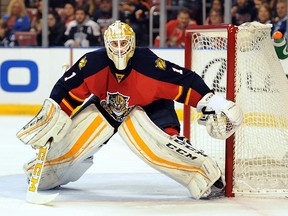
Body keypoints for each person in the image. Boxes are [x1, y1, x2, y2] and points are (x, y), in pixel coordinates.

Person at [17, 20, 242, 200]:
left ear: (132, 43)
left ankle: (205, 175)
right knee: (82, 133)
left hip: (151, 106)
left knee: (161, 145)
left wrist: (213, 102)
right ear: (106, 44)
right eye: (114, 44)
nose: (119, 49)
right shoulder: (93, 63)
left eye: (123, 43)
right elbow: (67, 88)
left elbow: (185, 80)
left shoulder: (149, 65)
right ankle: (50, 170)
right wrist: (55, 113)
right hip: (109, 109)